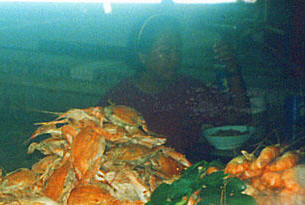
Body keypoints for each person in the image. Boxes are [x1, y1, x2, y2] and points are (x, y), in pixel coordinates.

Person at [101, 13, 251, 159]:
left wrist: (233, 70)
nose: (175, 58)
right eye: (166, 51)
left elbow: (238, 119)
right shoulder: (119, 98)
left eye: (178, 50)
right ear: (142, 56)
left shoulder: (188, 89)